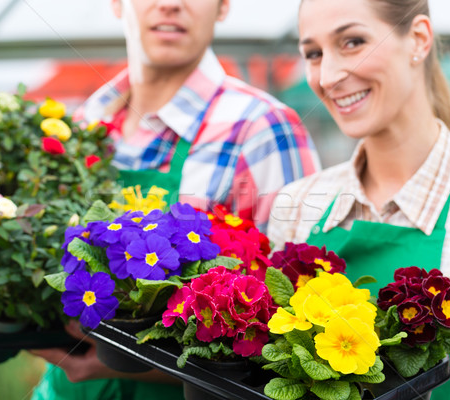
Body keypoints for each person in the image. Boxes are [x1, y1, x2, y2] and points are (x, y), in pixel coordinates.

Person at [30, 0, 321, 399]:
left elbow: (291, 334)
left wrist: (128, 362)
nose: (169, 4)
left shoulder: (262, 129)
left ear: (222, 6)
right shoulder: (85, 122)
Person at [268, 0, 450, 399]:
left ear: (418, 39)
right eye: (313, 54)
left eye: (353, 41)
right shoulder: (297, 206)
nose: (330, 75)